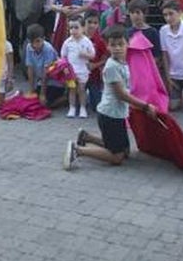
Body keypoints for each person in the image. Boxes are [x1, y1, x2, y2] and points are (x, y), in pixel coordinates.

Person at [63, 25, 157, 170]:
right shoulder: (112, 66)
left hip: (117, 114)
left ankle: (86, 137)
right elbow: (121, 94)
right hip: (110, 115)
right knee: (117, 157)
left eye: (121, 44)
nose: (117, 48)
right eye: (113, 45)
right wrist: (144, 106)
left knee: (124, 151)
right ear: (107, 46)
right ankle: (78, 150)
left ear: (128, 44)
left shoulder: (123, 63)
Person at [60, 16, 95, 118]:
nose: (73, 30)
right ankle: (72, 107)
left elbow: (92, 55)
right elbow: (63, 56)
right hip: (71, 71)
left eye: (76, 27)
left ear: (83, 28)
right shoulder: (67, 42)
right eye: (71, 28)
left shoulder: (86, 41)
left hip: (82, 70)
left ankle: (83, 108)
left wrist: (85, 55)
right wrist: (65, 67)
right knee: (72, 89)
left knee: (81, 89)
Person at [24, 23, 64, 108]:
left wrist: (42, 94)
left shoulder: (48, 49)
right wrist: (31, 90)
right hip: (41, 80)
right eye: (32, 42)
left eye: (38, 41)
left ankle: (65, 98)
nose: (35, 45)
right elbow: (30, 68)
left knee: (45, 104)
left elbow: (46, 72)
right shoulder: (29, 47)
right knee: (34, 101)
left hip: (54, 81)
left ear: (43, 39)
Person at [82, 11, 109, 112]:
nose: (92, 25)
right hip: (79, 77)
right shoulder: (77, 38)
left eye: (95, 23)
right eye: (89, 22)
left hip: (94, 77)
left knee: (96, 107)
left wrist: (96, 65)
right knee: (75, 104)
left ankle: (92, 95)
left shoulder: (100, 40)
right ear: (84, 23)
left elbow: (107, 57)